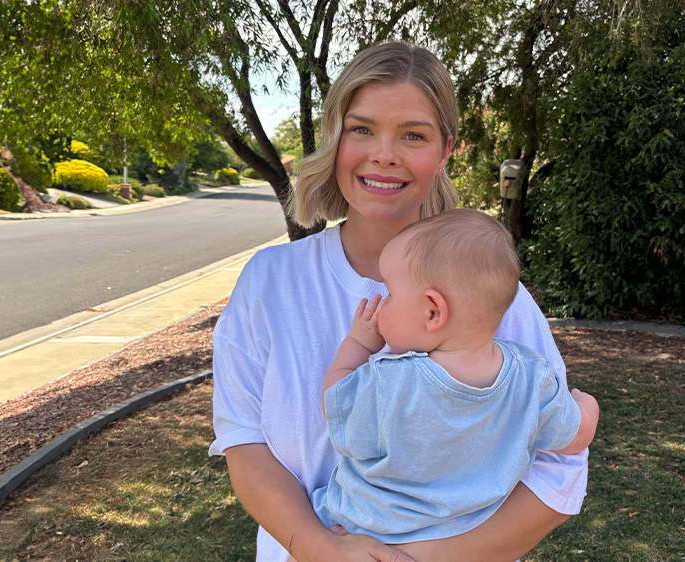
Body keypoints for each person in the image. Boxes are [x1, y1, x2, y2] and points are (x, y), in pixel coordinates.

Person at [210, 41, 592, 562]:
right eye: (362, 128)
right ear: (335, 137)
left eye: (413, 135)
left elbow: (558, 467)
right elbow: (244, 440)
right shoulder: (269, 282)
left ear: (445, 151)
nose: (383, 153)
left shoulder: (494, 299)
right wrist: (319, 548)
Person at [312, 209, 600, 544]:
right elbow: (576, 436)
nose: (383, 303)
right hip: (464, 535)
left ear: (433, 311)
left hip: (366, 529)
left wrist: (358, 344)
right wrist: (584, 402)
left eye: (389, 292)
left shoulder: (390, 384)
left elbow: (335, 406)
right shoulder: (531, 377)